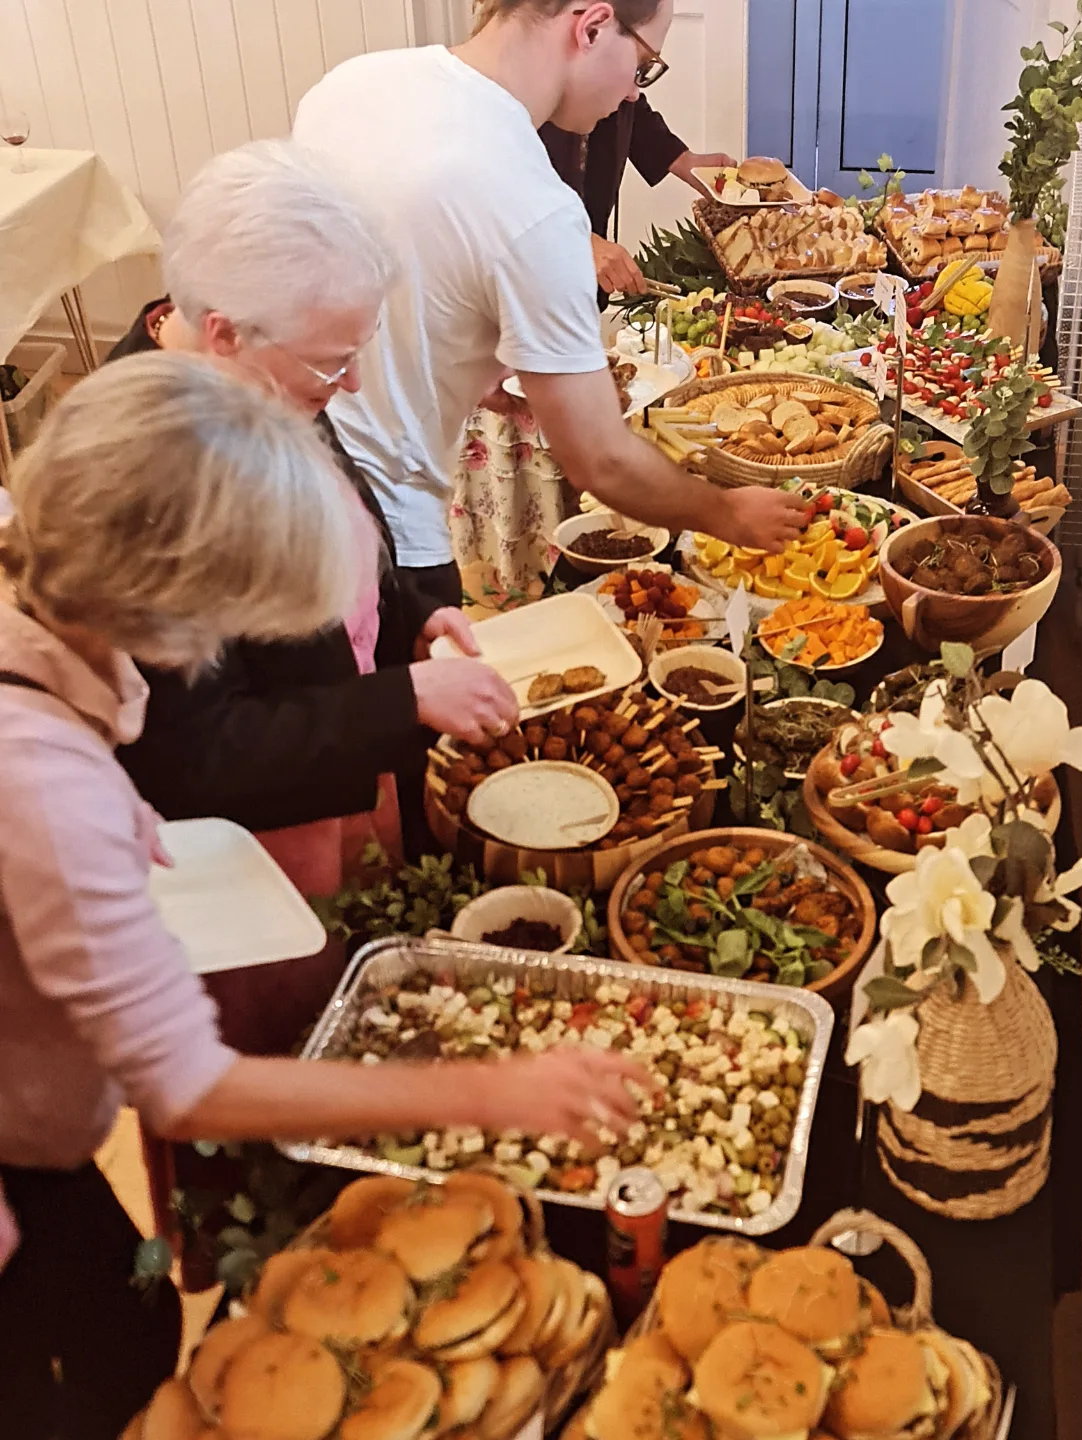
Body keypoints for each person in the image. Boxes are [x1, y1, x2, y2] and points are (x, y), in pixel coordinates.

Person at [0, 355, 648, 1439]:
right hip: (21, 1174)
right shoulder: (43, 786)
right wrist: (491, 1091)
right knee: (98, 1381)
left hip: (43, 1129)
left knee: (132, 1325)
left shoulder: (41, 606)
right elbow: (188, 1092)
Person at [291, 0, 807, 604]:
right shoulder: (537, 209)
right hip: (386, 535)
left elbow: (377, 278)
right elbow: (601, 461)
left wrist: (458, 353)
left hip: (284, 477)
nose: (634, 93)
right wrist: (728, 513)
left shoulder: (348, 86)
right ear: (591, 26)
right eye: (643, 65)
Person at [106, 141, 519, 894]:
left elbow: (333, 536)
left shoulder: (252, 374)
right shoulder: (142, 481)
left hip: (339, 762)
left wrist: (404, 614)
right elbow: (196, 751)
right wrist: (403, 701)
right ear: (224, 332)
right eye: (333, 360)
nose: (352, 382)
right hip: (264, 847)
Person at [542, 97, 732, 297]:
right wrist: (576, 239)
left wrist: (682, 159)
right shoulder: (528, 105)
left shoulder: (621, 94)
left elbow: (632, 106)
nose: (633, 95)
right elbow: (520, 187)